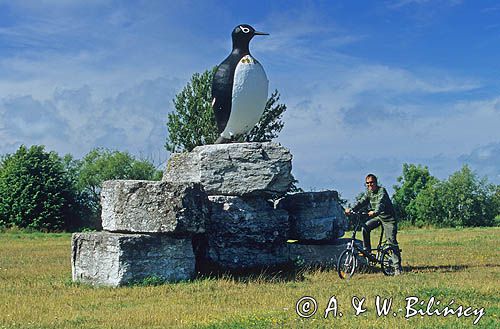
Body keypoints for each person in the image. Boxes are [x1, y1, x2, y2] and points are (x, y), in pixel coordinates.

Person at [344, 174, 403, 275]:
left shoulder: (382, 191)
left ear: (376, 183)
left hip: (389, 219)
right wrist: (351, 210)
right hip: (378, 217)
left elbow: (380, 203)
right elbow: (361, 202)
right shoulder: (369, 193)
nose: (369, 185)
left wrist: (375, 212)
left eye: (371, 183)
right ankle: (368, 252)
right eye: (367, 183)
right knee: (365, 228)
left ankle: (397, 267)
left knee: (391, 241)